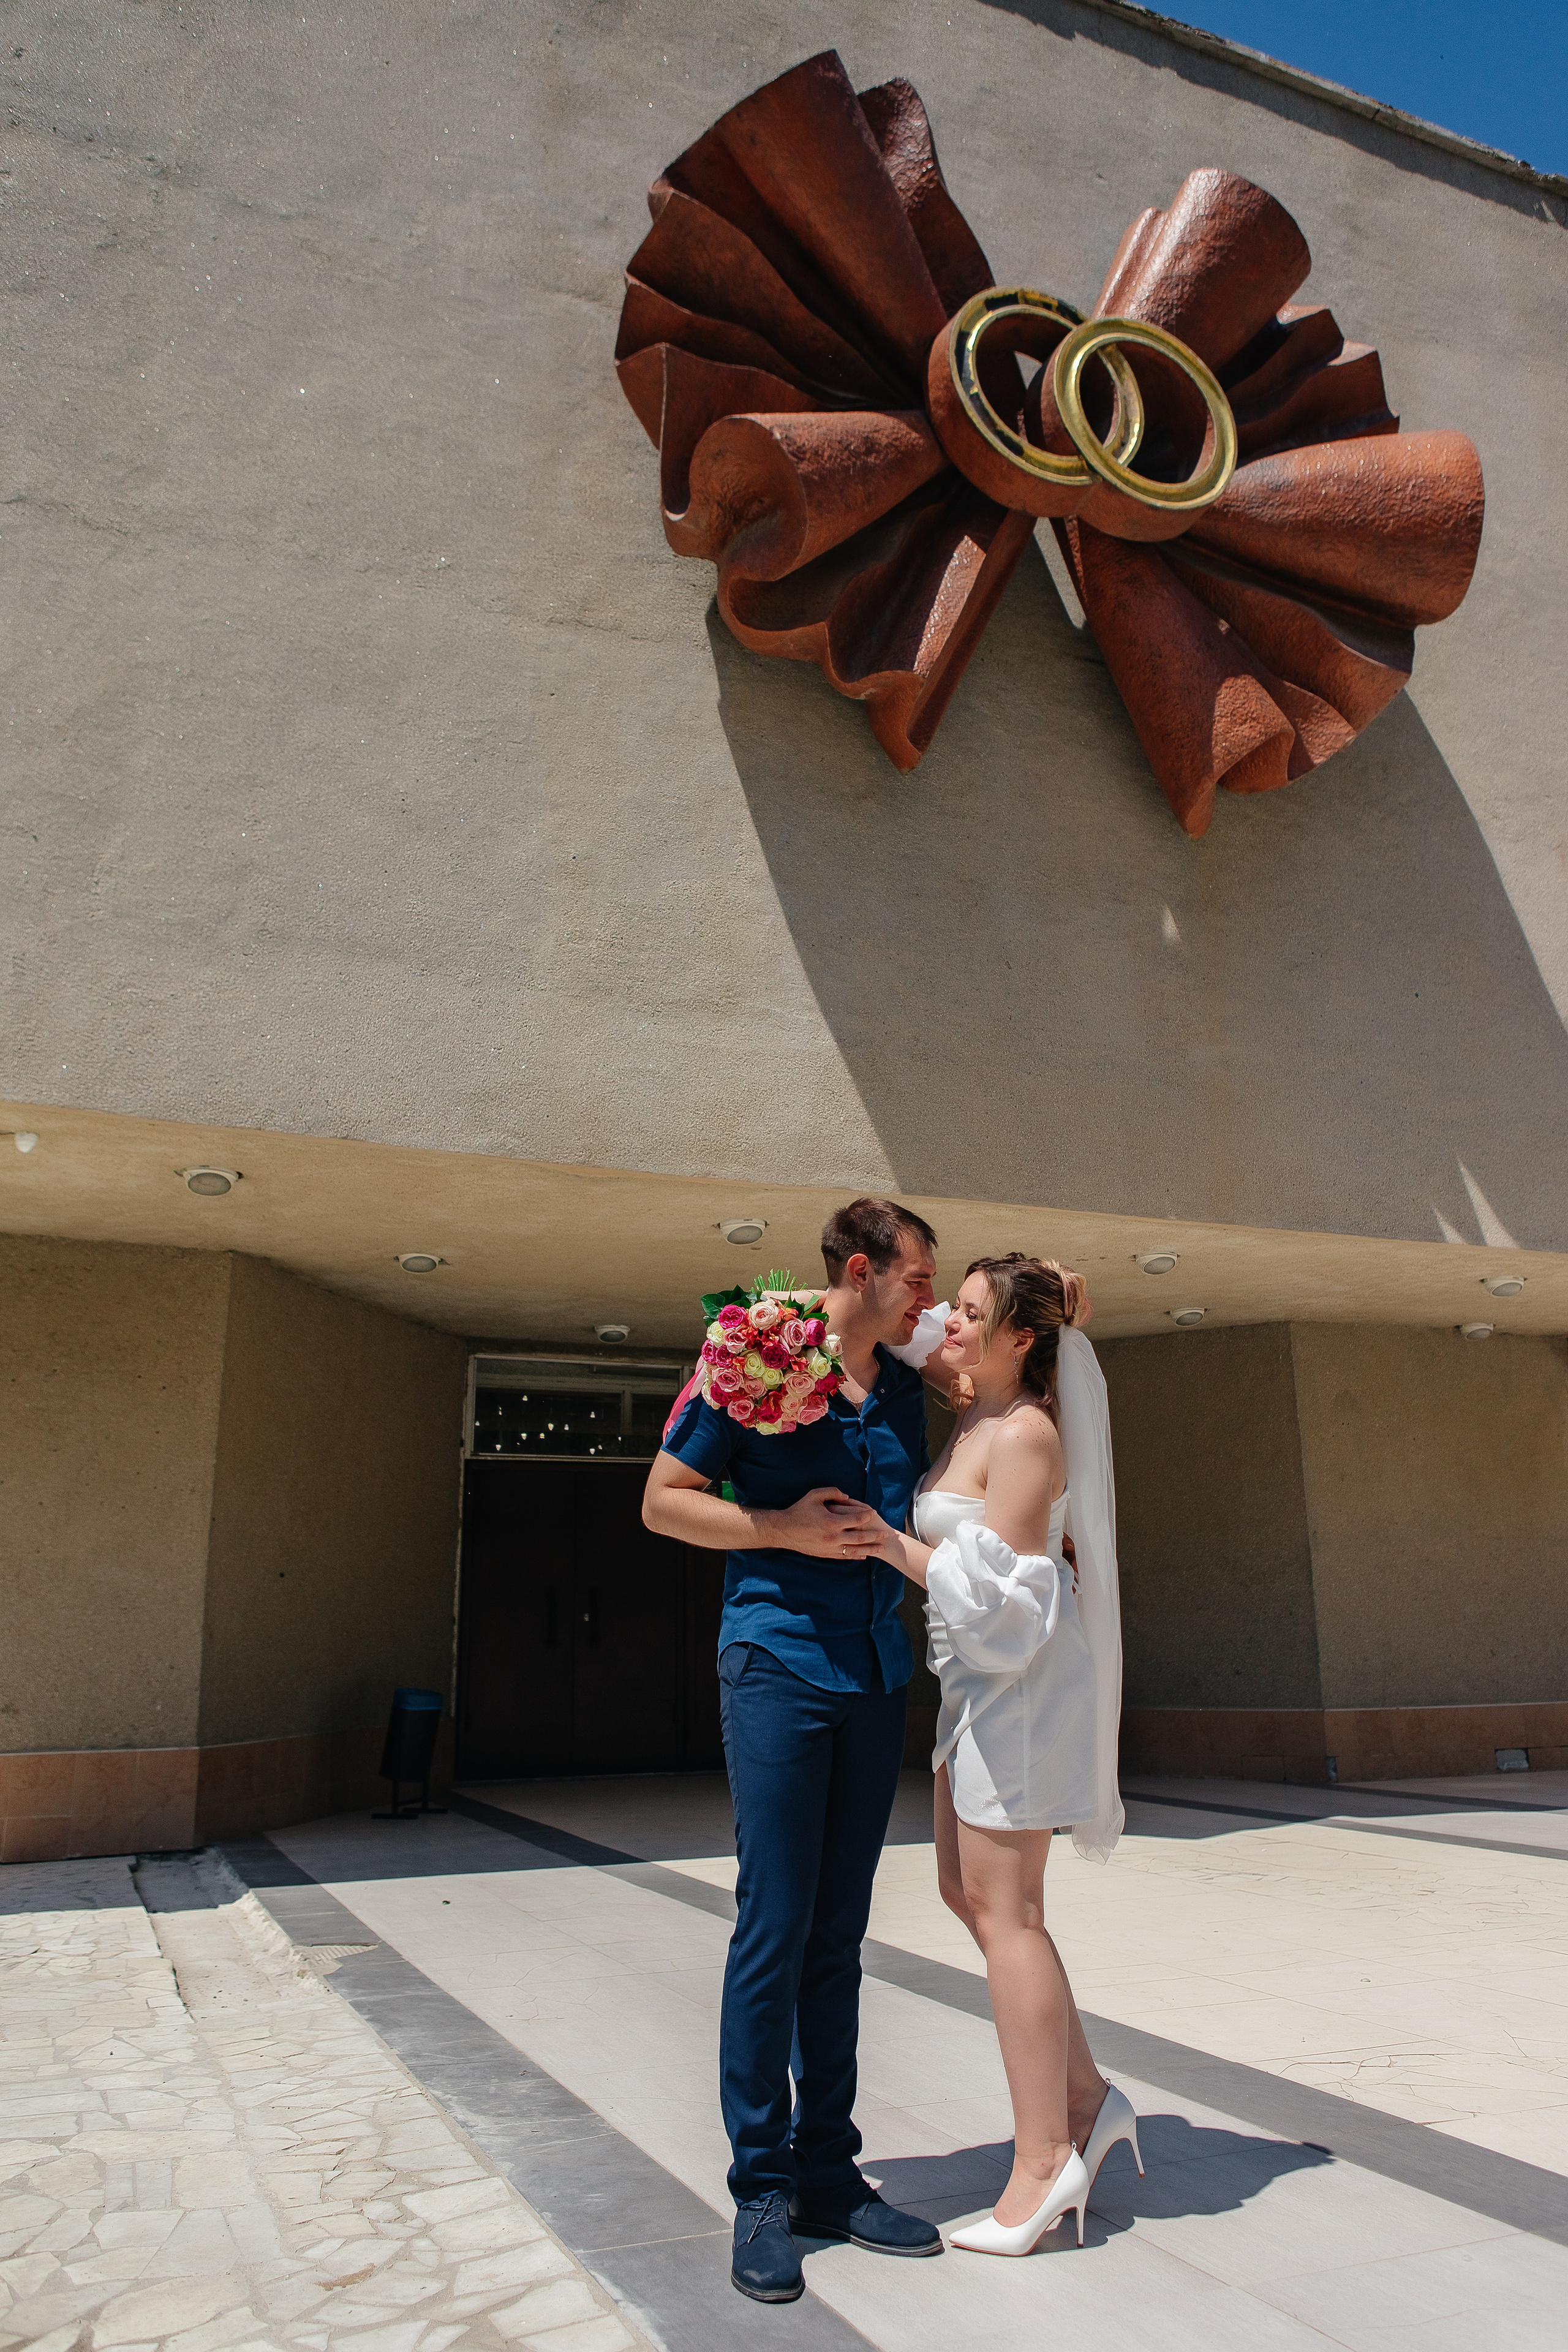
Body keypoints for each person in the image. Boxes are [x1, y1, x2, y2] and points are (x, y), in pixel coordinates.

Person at [643, 1198, 946, 2303]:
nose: (927, 1296)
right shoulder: (751, 1353)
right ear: (860, 1271)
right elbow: (662, 1501)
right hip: (774, 1667)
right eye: (916, 1278)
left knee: (839, 1932)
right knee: (773, 1925)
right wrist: (777, 1529)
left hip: (874, 1678)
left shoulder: (906, 1389)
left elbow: (1007, 1366)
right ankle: (761, 2187)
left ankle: (830, 2170)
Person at [870, 1254, 1142, 2255]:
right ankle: (1089, 2100)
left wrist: (898, 1549)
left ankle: (1043, 2164)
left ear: (1019, 1339)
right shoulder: (975, 1394)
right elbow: (895, 1322)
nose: (949, 1323)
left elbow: (1016, 1613)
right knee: (962, 1889)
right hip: (975, 1689)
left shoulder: (1025, 1434)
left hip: (1018, 1692)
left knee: (1008, 1912)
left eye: (972, 1312)